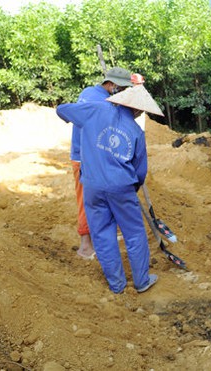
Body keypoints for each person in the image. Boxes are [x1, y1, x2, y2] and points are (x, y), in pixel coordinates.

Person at [57, 85, 163, 294]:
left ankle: (117, 285)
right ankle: (141, 281)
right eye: (141, 111)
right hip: (122, 187)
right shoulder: (136, 132)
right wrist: (131, 189)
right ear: (137, 110)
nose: (141, 113)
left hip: (92, 186)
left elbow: (61, 109)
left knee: (102, 234)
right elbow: (140, 171)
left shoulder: (94, 110)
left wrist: (81, 118)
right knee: (133, 233)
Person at [70, 67, 133, 260]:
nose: (123, 92)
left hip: (87, 154)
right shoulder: (103, 103)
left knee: (100, 199)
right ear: (112, 85)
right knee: (88, 201)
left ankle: (103, 235)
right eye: (122, 88)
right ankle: (86, 247)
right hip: (86, 158)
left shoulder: (88, 92)